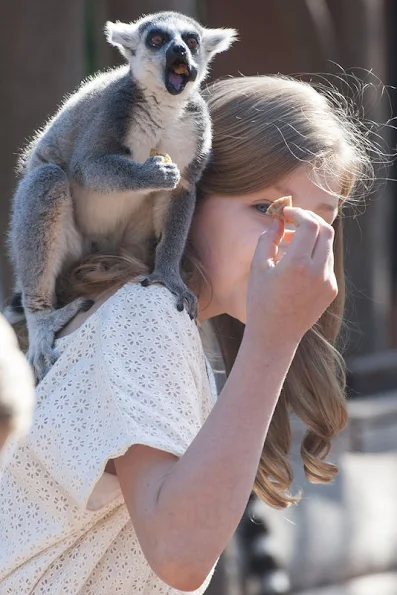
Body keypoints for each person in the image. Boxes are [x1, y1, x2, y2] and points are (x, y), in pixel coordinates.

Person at [0, 75, 375, 594]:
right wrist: (273, 338)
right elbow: (179, 553)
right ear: (182, 200)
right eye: (268, 209)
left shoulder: (153, 315)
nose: (294, 244)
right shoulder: (144, 315)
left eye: (319, 223)